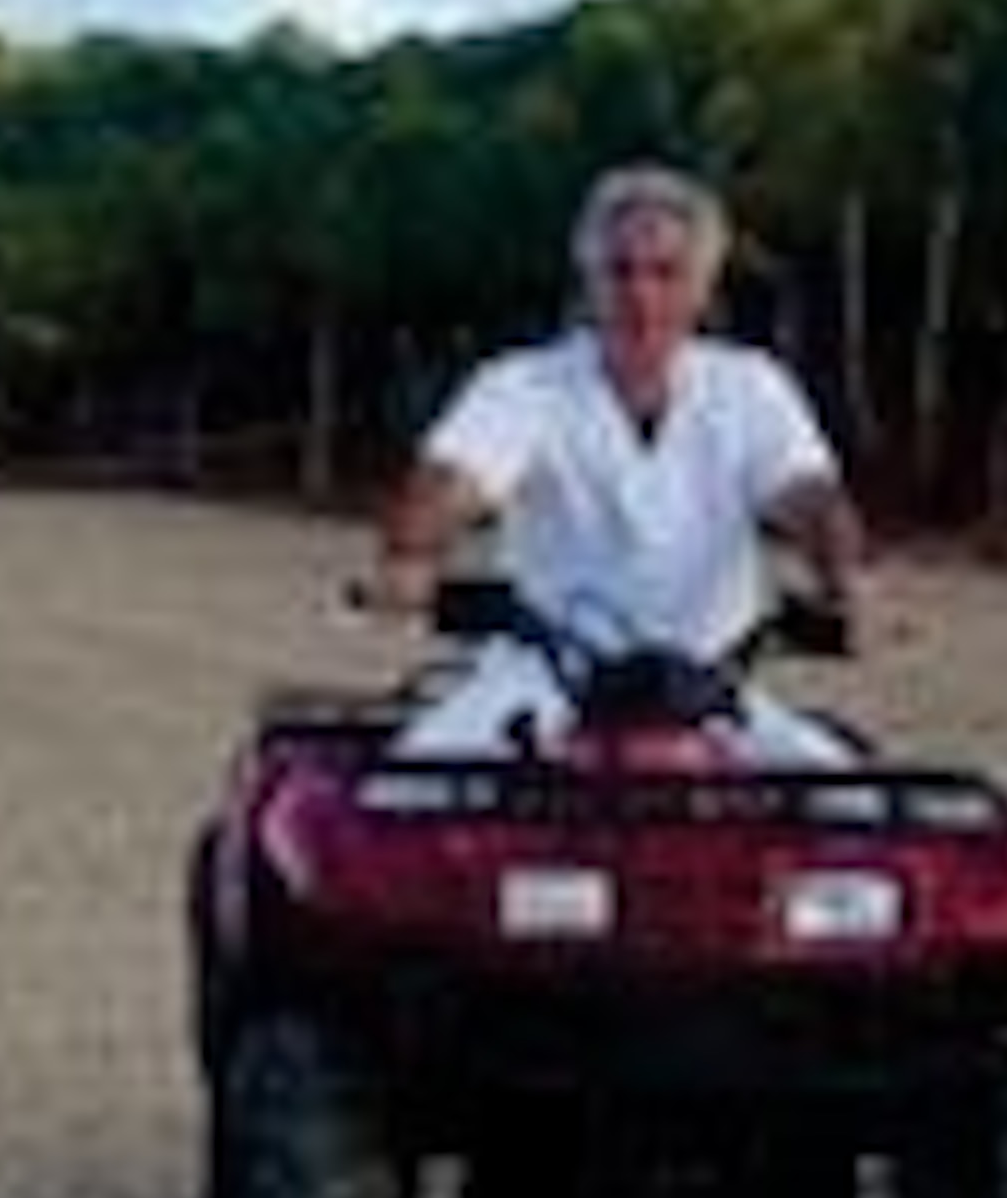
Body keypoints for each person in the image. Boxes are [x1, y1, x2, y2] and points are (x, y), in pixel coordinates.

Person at [359, 162, 869, 759]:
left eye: (667, 273)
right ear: (589, 280)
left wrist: (848, 579)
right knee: (419, 786)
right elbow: (453, 480)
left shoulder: (752, 388)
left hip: (708, 686)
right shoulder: (523, 386)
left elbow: (807, 494)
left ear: (704, 286)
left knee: (847, 807)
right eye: (619, 271)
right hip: (545, 679)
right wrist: (410, 555)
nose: (641, 295)